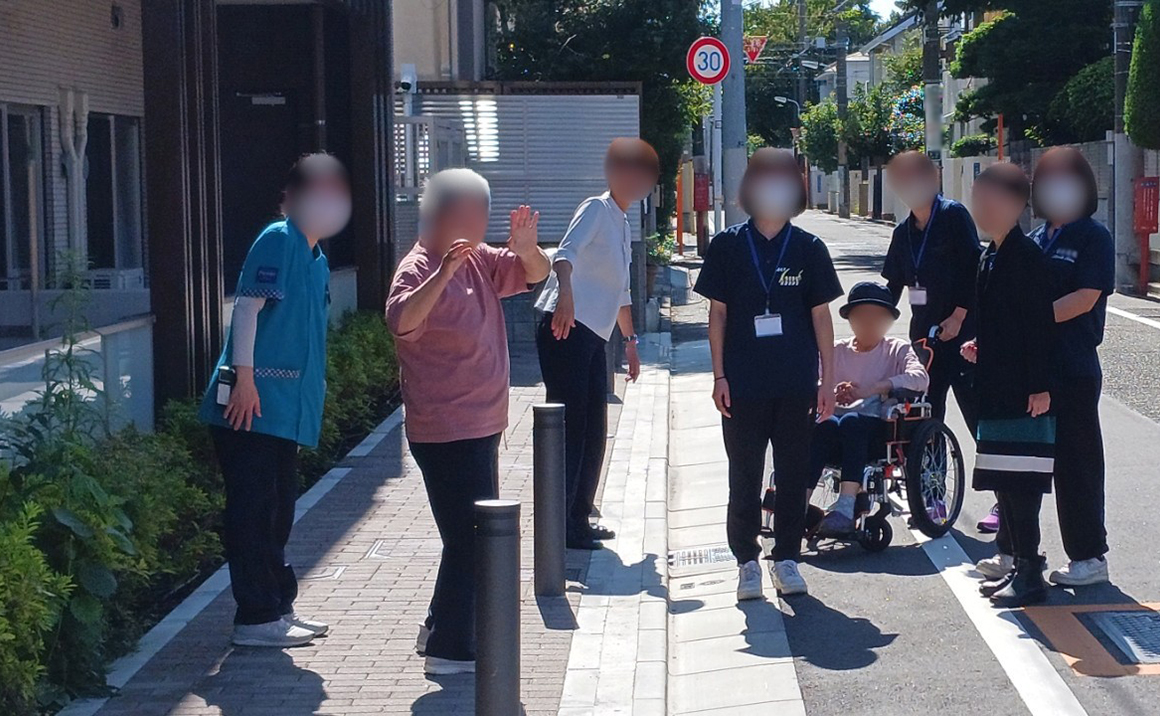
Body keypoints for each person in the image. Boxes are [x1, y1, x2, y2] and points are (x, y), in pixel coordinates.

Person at [385, 169, 550, 674]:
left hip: (483, 424)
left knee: (468, 536)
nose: (482, 224)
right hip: (444, 428)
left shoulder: (478, 258)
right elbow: (401, 321)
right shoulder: (418, 266)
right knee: (470, 539)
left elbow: (536, 274)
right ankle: (449, 651)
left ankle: (439, 628)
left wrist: (527, 248)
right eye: (474, 213)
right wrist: (442, 274)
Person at [199, 153, 350, 648]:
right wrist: (245, 379)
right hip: (251, 407)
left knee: (278, 510)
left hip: (282, 412)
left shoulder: (315, 257)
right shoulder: (278, 238)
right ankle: (257, 616)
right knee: (255, 512)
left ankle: (276, 607)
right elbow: (247, 308)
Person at [694, 148, 843, 600]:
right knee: (744, 476)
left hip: (796, 383)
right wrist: (719, 376)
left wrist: (827, 381)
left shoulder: (809, 248)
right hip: (743, 384)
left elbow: (821, 318)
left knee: (794, 475)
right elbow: (718, 315)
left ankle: (787, 560)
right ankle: (746, 562)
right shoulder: (728, 246)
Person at [976, 147, 1114, 588]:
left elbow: (1085, 298)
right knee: (1018, 464)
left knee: (1076, 466)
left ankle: (1088, 556)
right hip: (1026, 370)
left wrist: (1025, 322)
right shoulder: (1034, 239)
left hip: (1072, 367)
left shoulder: (1093, 237)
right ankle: (1015, 551)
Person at [535, 138, 656, 551]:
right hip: (565, 328)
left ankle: (579, 515)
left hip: (593, 335)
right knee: (572, 427)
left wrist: (631, 342)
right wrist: (565, 295)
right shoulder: (596, 209)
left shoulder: (622, 222)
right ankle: (562, 525)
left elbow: (621, 292)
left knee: (595, 427)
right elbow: (563, 255)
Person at [960, 162, 1057, 608]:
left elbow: (1040, 327)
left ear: (1017, 204)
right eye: (977, 199)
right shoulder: (990, 254)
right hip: (997, 388)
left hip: (1024, 392)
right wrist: (982, 345)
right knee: (1004, 482)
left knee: (1022, 487)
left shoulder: (1027, 257)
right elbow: (1004, 322)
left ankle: (1030, 572)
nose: (981, 208)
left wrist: (1041, 385)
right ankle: (1018, 565)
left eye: (991, 200)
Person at [812, 282, 930, 536]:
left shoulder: (896, 349)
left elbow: (920, 378)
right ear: (850, 319)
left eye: (876, 317)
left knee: (852, 422)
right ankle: (798, 505)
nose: (869, 322)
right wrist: (831, 390)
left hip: (878, 432)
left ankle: (845, 507)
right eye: (862, 316)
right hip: (836, 427)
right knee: (825, 424)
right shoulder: (836, 350)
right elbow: (815, 379)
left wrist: (877, 387)